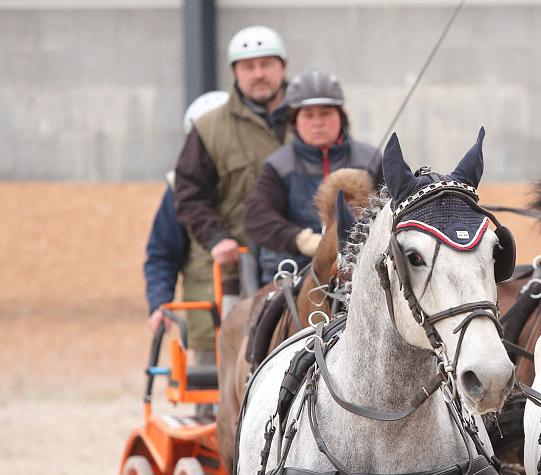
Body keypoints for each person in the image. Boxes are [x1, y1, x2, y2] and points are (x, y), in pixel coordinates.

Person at [173, 25, 291, 353]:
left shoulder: (313, 118)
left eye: (266, 64)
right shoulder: (210, 129)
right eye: (248, 67)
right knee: (232, 360)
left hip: (306, 260)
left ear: (283, 66)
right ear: (235, 73)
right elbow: (188, 191)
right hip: (240, 271)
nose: (258, 74)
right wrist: (215, 238)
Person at [243, 69, 382, 285]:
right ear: (294, 120)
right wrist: (301, 239)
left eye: (326, 113)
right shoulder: (278, 166)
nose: (318, 122)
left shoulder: (371, 159)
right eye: (308, 115)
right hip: (293, 274)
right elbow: (256, 217)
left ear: (341, 116)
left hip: (362, 273)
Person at [144, 90, 230, 339]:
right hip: (208, 323)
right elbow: (162, 254)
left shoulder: (267, 180)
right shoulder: (177, 189)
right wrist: (160, 303)